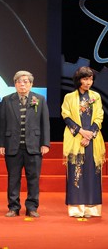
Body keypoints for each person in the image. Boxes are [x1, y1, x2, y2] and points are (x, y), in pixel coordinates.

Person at [0, 70, 50, 218]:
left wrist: (45, 143)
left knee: (33, 178)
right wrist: (1, 144)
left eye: (26, 81)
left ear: (31, 84)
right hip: (12, 145)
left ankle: (32, 207)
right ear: (14, 84)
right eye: (19, 81)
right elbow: (2, 124)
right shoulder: (7, 100)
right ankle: (13, 207)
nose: (22, 84)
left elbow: (45, 123)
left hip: (33, 146)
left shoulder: (39, 99)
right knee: (13, 178)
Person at [61, 66, 105, 218]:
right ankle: (77, 208)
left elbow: (99, 116)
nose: (88, 82)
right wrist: (81, 132)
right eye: (85, 79)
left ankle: (92, 208)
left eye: (91, 79)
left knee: (92, 172)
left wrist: (89, 135)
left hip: (92, 140)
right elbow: (66, 116)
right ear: (78, 80)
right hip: (75, 139)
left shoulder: (96, 97)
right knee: (76, 172)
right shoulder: (69, 97)